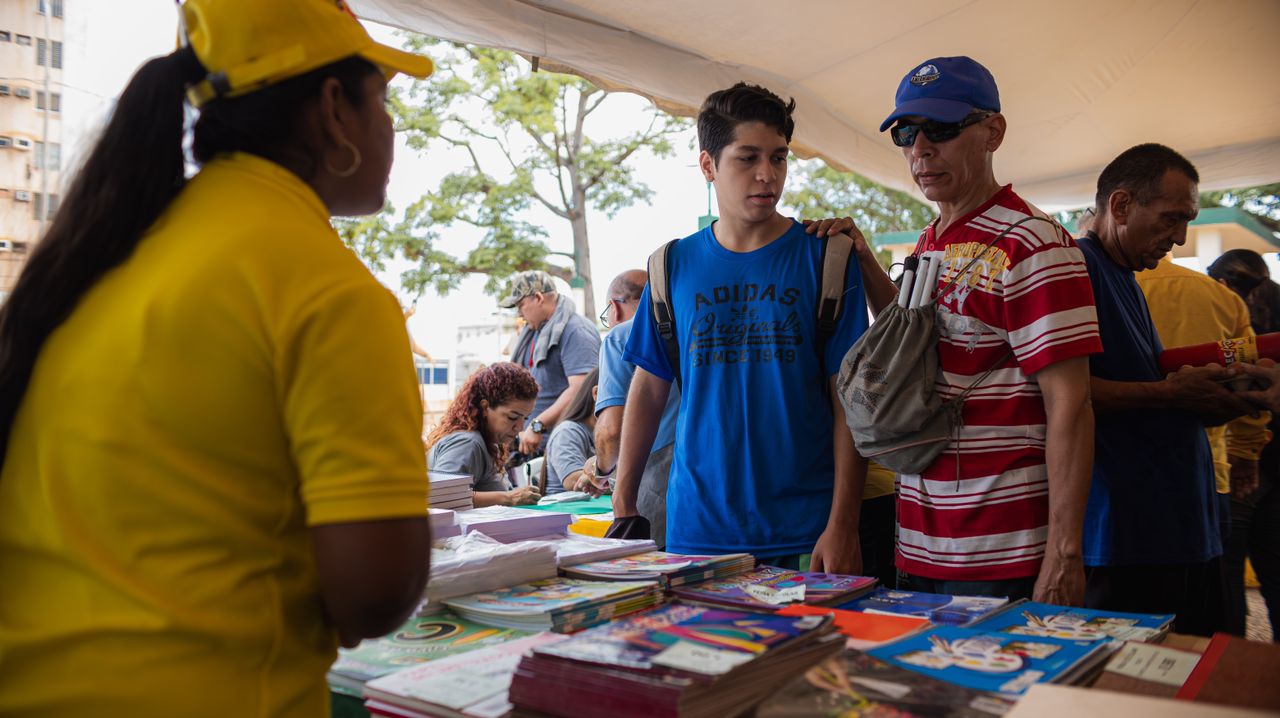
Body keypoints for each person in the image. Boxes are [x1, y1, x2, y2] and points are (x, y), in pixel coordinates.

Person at [0, 2, 435, 714]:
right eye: (382, 100)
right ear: (333, 109)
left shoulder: (112, 256)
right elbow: (373, 597)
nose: (390, 128)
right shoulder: (328, 291)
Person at [614, 82, 869, 572]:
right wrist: (623, 501)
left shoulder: (827, 258)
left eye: (778, 158)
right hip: (694, 530)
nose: (766, 175)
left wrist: (844, 523)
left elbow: (848, 398)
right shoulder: (671, 266)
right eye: (747, 157)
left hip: (805, 530)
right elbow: (647, 387)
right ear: (708, 165)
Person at [873, 56, 1101, 603]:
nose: (921, 148)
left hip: (1005, 547)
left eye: (943, 129)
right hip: (919, 540)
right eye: (907, 132)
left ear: (992, 132)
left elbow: (1072, 404)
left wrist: (1064, 551)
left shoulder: (1034, 242)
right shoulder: (931, 239)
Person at [1077, 143, 1255, 636]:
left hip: (1179, 524)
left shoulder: (1127, 273)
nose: (1179, 238)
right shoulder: (1076, 268)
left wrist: (1222, 397)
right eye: (1171, 219)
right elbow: (1062, 396)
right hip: (1126, 535)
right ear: (1120, 205)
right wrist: (1171, 395)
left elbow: (1151, 386)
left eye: (1188, 221)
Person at [1135, 251, 1272, 634]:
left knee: (1132, 605)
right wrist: (1246, 455)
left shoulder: (1093, 291)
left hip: (1120, 477)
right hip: (1207, 474)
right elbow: (1250, 383)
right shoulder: (1220, 297)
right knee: (1213, 597)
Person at [1208, 250, 1280, 640]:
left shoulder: (1229, 313)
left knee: (1228, 576)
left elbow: (1242, 396)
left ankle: (1229, 666)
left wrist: (1244, 456)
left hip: (1242, 464)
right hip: (1277, 463)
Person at [582, 269, 680, 547]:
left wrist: (599, 470)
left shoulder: (620, 338)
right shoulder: (696, 332)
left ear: (614, 307)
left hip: (654, 490)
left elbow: (612, 433)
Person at [498, 270, 601, 457]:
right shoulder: (537, 331)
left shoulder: (576, 330)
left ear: (538, 298)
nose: (520, 313)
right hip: (533, 445)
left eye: (521, 305)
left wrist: (538, 425)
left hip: (563, 448)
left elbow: (581, 389)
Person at [426, 363, 543, 507]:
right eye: (512, 417)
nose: (520, 428)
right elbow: (440, 496)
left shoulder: (489, 443)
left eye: (525, 418)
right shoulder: (468, 443)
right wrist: (508, 498)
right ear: (485, 407)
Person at [544, 369, 601, 494]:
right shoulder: (568, 432)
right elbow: (574, 481)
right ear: (596, 393)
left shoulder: (600, 432)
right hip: (566, 510)